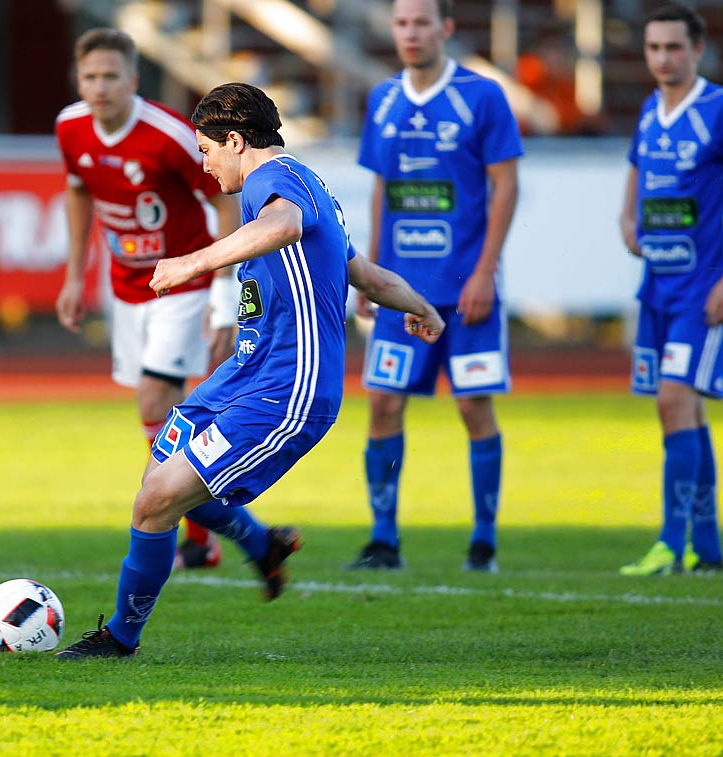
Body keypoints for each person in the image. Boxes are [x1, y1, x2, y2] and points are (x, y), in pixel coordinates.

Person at [56, 84, 445, 659]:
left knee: (156, 501)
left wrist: (192, 262)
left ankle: (120, 638)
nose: (205, 164)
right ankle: (263, 545)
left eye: (207, 150)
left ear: (235, 141)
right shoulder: (311, 188)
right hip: (244, 374)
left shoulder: (273, 183)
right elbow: (365, 274)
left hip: (288, 389)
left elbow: (284, 226)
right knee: (160, 476)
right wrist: (422, 307)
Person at [349, 0, 522, 574]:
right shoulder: (384, 99)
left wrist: (483, 272)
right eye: (401, 23)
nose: (410, 33)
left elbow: (507, 185)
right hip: (401, 295)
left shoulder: (483, 97)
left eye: (422, 22)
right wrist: (370, 274)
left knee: (474, 408)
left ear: (446, 28)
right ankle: (383, 539)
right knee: (382, 405)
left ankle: (484, 541)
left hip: (467, 292)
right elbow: (380, 188)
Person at [54, 28, 241, 570]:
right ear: (78, 79)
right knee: (162, 415)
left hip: (183, 281)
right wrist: (73, 276)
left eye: (111, 76)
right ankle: (201, 533)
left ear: (133, 80)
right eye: (90, 76)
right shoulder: (70, 128)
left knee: (155, 403)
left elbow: (225, 201)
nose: (100, 86)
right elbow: (76, 191)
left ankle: (172, 523)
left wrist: (225, 290)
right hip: (126, 287)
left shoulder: (167, 135)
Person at [617, 4, 723, 576]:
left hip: (702, 291)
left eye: (673, 48)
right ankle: (706, 548)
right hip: (656, 289)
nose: (662, 58)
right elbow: (637, 173)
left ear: (698, 49)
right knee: (691, 412)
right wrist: (627, 219)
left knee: (673, 400)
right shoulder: (649, 111)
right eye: (654, 48)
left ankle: (669, 543)